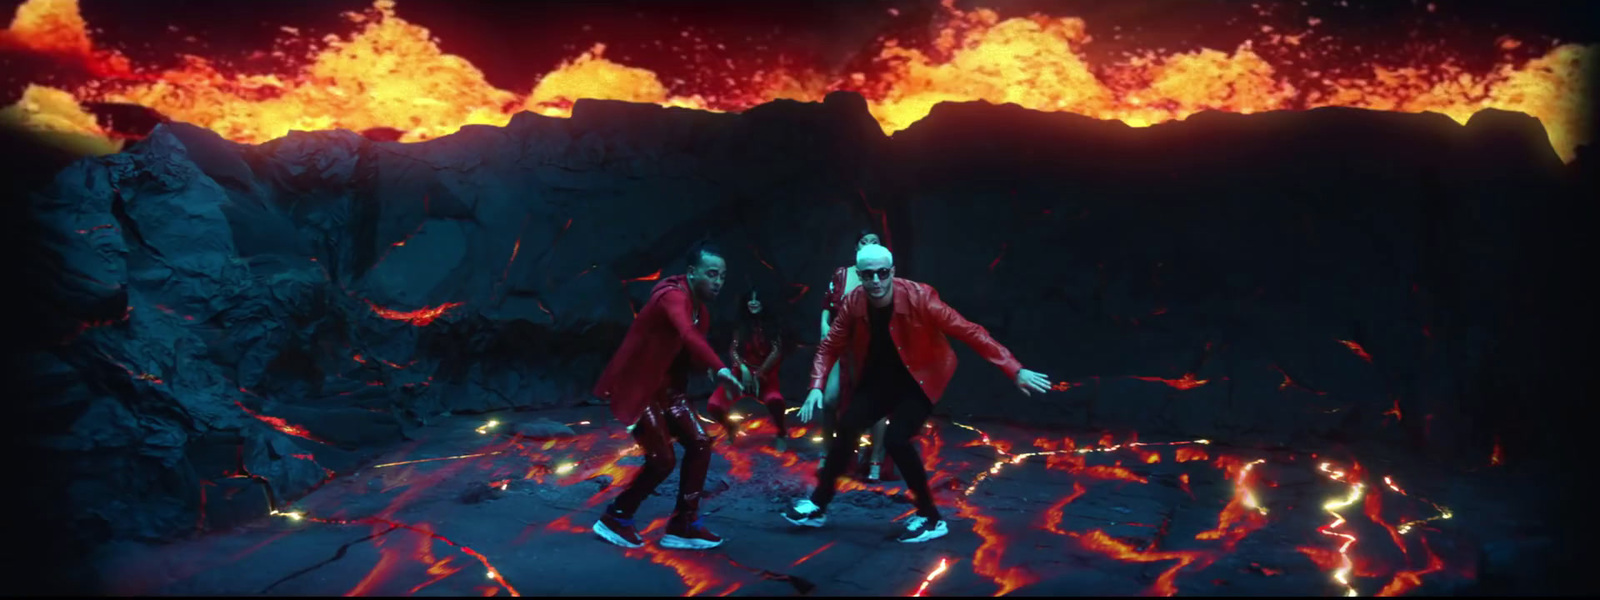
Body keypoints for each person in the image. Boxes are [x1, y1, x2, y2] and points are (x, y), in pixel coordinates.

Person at [783, 243, 1052, 543]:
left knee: (897, 439)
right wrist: (816, 387)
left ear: (892, 272)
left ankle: (931, 518)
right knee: (846, 428)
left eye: (882, 273)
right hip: (880, 379)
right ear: (859, 276)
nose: (875, 281)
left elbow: (970, 331)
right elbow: (830, 345)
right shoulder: (854, 301)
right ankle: (819, 506)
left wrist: (1014, 369)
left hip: (919, 379)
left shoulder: (920, 297)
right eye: (868, 275)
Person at [591, 241, 743, 550]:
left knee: (700, 443)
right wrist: (721, 368)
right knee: (662, 459)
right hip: (639, 389)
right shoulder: (672, 296)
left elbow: (692, 348)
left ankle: (683, 524)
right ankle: (616, 517)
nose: (718, 282)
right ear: (691, 272)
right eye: (711, 274)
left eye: (722, 276)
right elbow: (686, 333)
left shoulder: (701, 311)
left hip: (670, 393)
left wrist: (720, 373)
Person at [820, 229, 895, 481]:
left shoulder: (883, 275)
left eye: (875, 242)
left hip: (873, 349)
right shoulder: (842, 275)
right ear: (856, 247)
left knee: (878, 404)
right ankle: (828, 453)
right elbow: (826, 309)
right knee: (830, 400)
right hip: (842, 348)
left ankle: (875, 460)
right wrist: (827, 337)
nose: (869, 246)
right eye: (864, 242)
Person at [706, 288, 791, 450]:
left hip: (764, 378)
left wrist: (760, 373)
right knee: (713, 405)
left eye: (756, 299)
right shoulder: (741, 324)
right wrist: (743, 368)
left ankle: (781, 433)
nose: (753, 303)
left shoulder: (773, 325)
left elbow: (776, 351)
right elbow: (733, 349)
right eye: (750, 300)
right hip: (740, 376)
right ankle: (731, 428)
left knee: (776, 401)